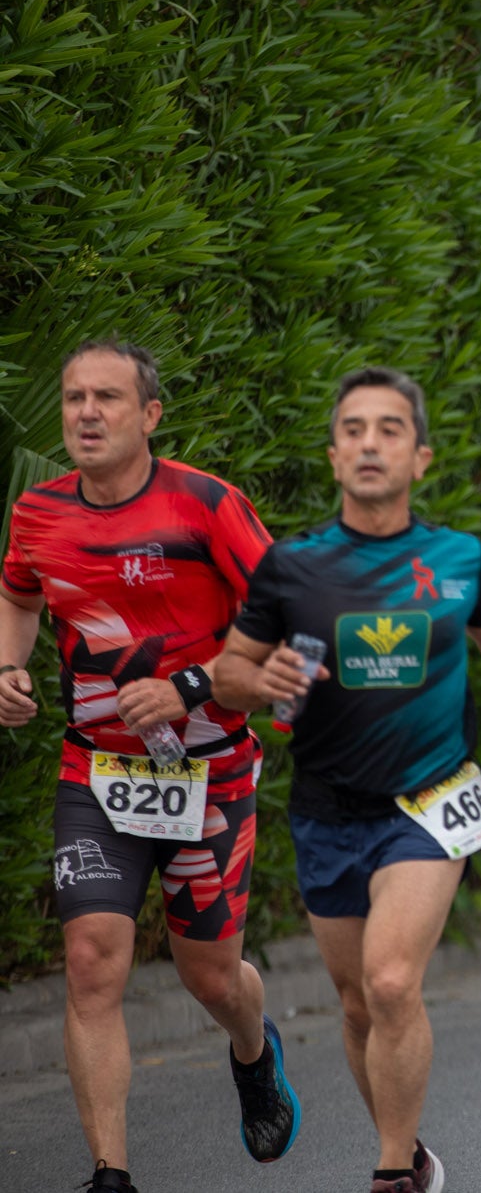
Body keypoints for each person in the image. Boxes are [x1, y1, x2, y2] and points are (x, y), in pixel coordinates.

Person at [214, 366, 481, 1193]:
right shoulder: (293, 568)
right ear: (332, 456)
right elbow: (228, 675)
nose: (369, 442)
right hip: (327, 808)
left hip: (430, 802)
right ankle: (415, 1150)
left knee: (395, 980)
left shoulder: (460, 559)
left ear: (420, 457)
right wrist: (264, 680)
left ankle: (393, 1173)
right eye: (354, 429)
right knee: (359, 1003)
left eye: (389, 428)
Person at [0, 341, 299, 1193]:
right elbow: (19, 591)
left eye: (107, 398)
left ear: (151, 415)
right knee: (92, 959)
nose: (86, 413)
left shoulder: (209, 507)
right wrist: (7, 667)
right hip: (95, 773)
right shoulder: (38, 513)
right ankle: (110, 1175)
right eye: (72, 398)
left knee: (212, 975)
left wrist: (192, 686)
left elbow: (285, 625)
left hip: (211, 772)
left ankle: (253, 1048)